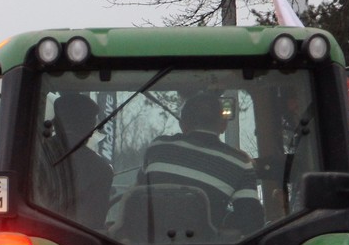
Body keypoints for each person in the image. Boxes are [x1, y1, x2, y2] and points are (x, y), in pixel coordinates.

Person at [138, 92, 264, 231]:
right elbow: (251, 222)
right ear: (223, 125)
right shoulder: (240, 163)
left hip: (144, 244)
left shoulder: (158, 146)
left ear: (182, 125)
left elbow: (137, 193)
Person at [52, 93, 115, 227]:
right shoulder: (102, 170)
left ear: (55, 124)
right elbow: (95, 224)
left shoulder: (33, 157)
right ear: (90, 129)